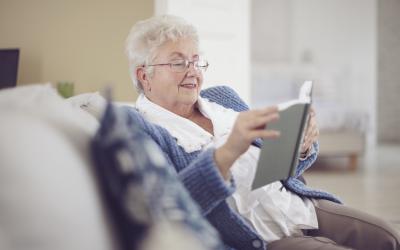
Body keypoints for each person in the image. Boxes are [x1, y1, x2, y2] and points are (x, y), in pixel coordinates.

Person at [124, 15, 400, 250]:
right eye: (178, 62)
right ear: (144, 75)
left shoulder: (223, 97)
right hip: (261, 236)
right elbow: (170, 209)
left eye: (196, 60)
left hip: (298, 208)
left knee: (388, 237)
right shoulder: (141, 128)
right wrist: (228, 152)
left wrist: (301, 145)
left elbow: (282, 168)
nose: (193, 71)